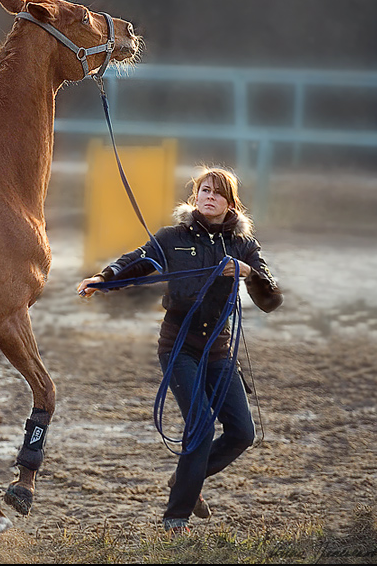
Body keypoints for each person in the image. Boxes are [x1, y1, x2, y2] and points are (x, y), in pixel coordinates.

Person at [76, 166, 283, 535]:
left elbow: (271, 299)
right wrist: (103, 278)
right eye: (204, 190)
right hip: (178, 348)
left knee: (242, 433)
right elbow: (135, 260)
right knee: (201, 427)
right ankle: (176, 517)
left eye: (218, 193)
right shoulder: (172, 237)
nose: (209, 196)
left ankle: (184, 479)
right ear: (195, 197)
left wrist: (248, 272)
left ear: (230, 203)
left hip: (219, 350)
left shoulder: (243, 245)